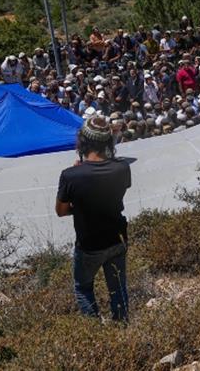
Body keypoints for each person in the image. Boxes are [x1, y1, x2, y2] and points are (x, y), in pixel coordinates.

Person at [56, 114, 132, 323]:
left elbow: (61, 210)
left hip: (89, 244)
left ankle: (95, 335)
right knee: (118, 288)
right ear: (108, 140)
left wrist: (81, 206)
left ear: (82, 140)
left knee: (83, 288)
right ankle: (122, 329)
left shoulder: (70, 175)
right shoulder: (122, 168)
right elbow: (114, 195)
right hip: (117, 238)